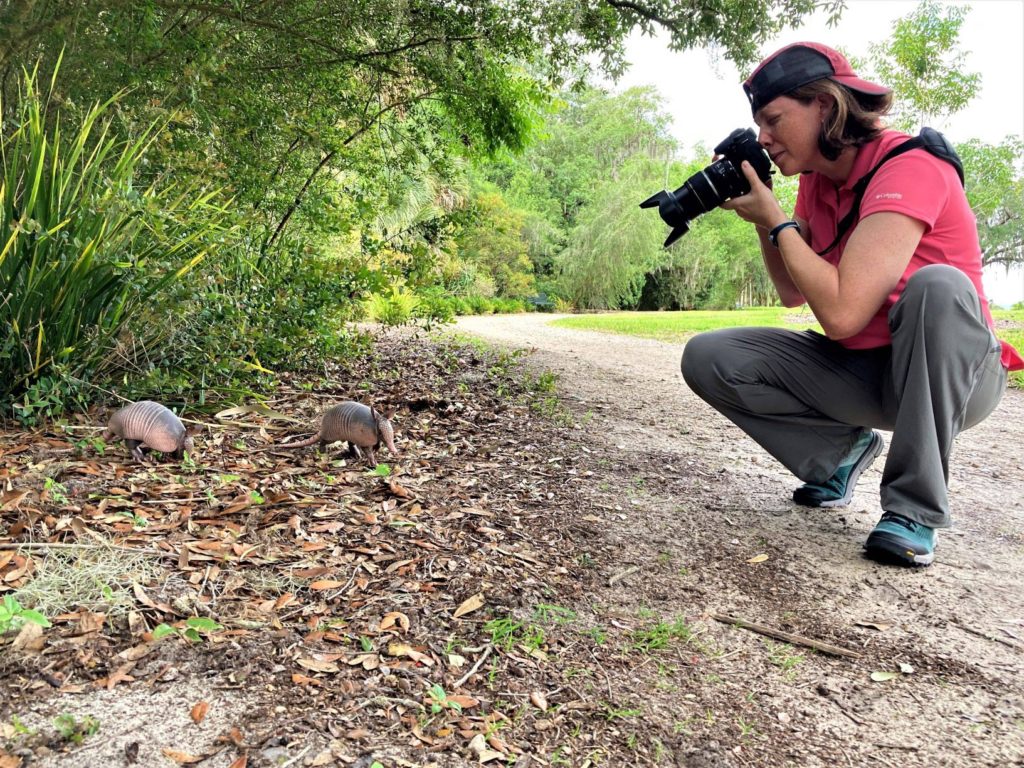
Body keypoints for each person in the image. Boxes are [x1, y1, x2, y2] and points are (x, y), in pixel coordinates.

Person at [680, 42, 1023, 567]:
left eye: (773, 119)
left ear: (824, 103)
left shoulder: (912, 164)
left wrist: (777, 222)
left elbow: (840, 315)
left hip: (956, 378)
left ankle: (913, 511)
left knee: (938, 286)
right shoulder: (815, 182)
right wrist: (764, 220)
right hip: (869, 372)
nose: (764, 138)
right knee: (710, 356)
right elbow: (794, 292)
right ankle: (840, 457)